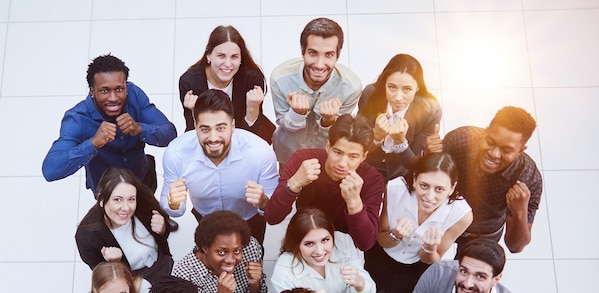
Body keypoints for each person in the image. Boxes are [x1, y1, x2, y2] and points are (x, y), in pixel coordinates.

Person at [43, 54, 177, 196]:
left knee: (152, 216)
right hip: (108, 192)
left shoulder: (135, 95)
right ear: (92, 91)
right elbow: (50, 170)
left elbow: (170, 134)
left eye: (119, 89)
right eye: (105, 91)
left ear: (126, 87)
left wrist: (140, 129)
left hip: (142, 178)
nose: (113, 98)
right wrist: (93, 143)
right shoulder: (78, 118)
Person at [161, 89, 278, 244]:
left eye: (221, 128)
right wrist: (173, 203)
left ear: (233, 125)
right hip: (205, 219)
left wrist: (263, 202)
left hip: (250, 221)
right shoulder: (176, 153)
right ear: (195, 126)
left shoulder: (260, 152)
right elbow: (170, 205)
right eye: (205, 129)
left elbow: (274, 209)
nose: (214, 138)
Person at [264, 114, 384, 251]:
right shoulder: (303, 159)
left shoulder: (372, 179)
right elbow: (272, 217)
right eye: (338, 152)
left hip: (343, 247)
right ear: (328, 146)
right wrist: (294, 184)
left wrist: (354, 203)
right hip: (304, 237)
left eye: (353, 156)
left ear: (363, 157)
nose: (343, 163)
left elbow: (365, 243)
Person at [365, 153, 473, 293]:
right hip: (379, 259)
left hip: (416, 270)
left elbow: (431, 259)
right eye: (424, 186)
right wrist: (396, 234)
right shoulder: (395, 189)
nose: (429, 196)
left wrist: (429, 247)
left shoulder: (461, 214)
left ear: (452, 188)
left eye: (439, 189)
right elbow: (381, 240)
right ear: (415, 180)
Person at [435, 106, 542, 253]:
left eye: (506, 150)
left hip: (482, 235)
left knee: (470, 274)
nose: (493, 154)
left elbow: (515, 246)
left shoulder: (528, 178)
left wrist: (520, 211)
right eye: (490, 142)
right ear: (486, 131)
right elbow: (427, 181)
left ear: (520, 151)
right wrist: (429, 155)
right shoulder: (460, 139)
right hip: (442, 219)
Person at [270, 17, 362, 164]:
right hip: (288, 153)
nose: (320, 65)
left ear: (338, 55)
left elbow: (340, 135)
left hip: (326, 158)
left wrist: (329, 121)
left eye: (329, 55)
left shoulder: (351, 87)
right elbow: (282, 123)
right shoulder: (280, 78)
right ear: (302, 52)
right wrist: (297, 114)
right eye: (313, 53)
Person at [271, 208, 375, 293]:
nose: (320, 251)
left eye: (325, 240)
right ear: (296, 244)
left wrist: (360, 283)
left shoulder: (344, 244)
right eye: (309, 244)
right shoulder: (285, 270)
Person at [172, 210, 267, 293]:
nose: (231, 260)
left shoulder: (251, 247)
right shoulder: (184, 276)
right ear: (205, 248)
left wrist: (255, 284)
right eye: (221, 252)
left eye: (237, 251)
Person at [75, 168, 173, 286]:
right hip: (131, 281)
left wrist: (162, 229)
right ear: (101, 200)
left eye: (131, 199)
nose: (126, 208)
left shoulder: (145, 204)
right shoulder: (87, 235)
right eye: (117, 200)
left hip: (162, 264)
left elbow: (163, 234)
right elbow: (100, 275)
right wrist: (113, 264)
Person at [179, 25, 275, 144]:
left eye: (234, 57)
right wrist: (195, 113)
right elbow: (193, 133)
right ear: (208, 55)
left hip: (242, 137)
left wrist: (253, 108)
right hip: (209, 140)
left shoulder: (252, 78)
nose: (228, 64)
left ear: (241, 59)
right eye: (221, 56)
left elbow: (253, 137)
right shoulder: (190, 81)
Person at [357, 53, 442, 181]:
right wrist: (376, 137)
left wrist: (400, 142)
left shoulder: (430, 110)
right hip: (365, 166)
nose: (398, 97)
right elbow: (356, 146)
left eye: (407, 89)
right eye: (392, 87)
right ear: (384, 83)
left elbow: (413, 164)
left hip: (402, 173)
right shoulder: (370, 94)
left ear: (417, 87)